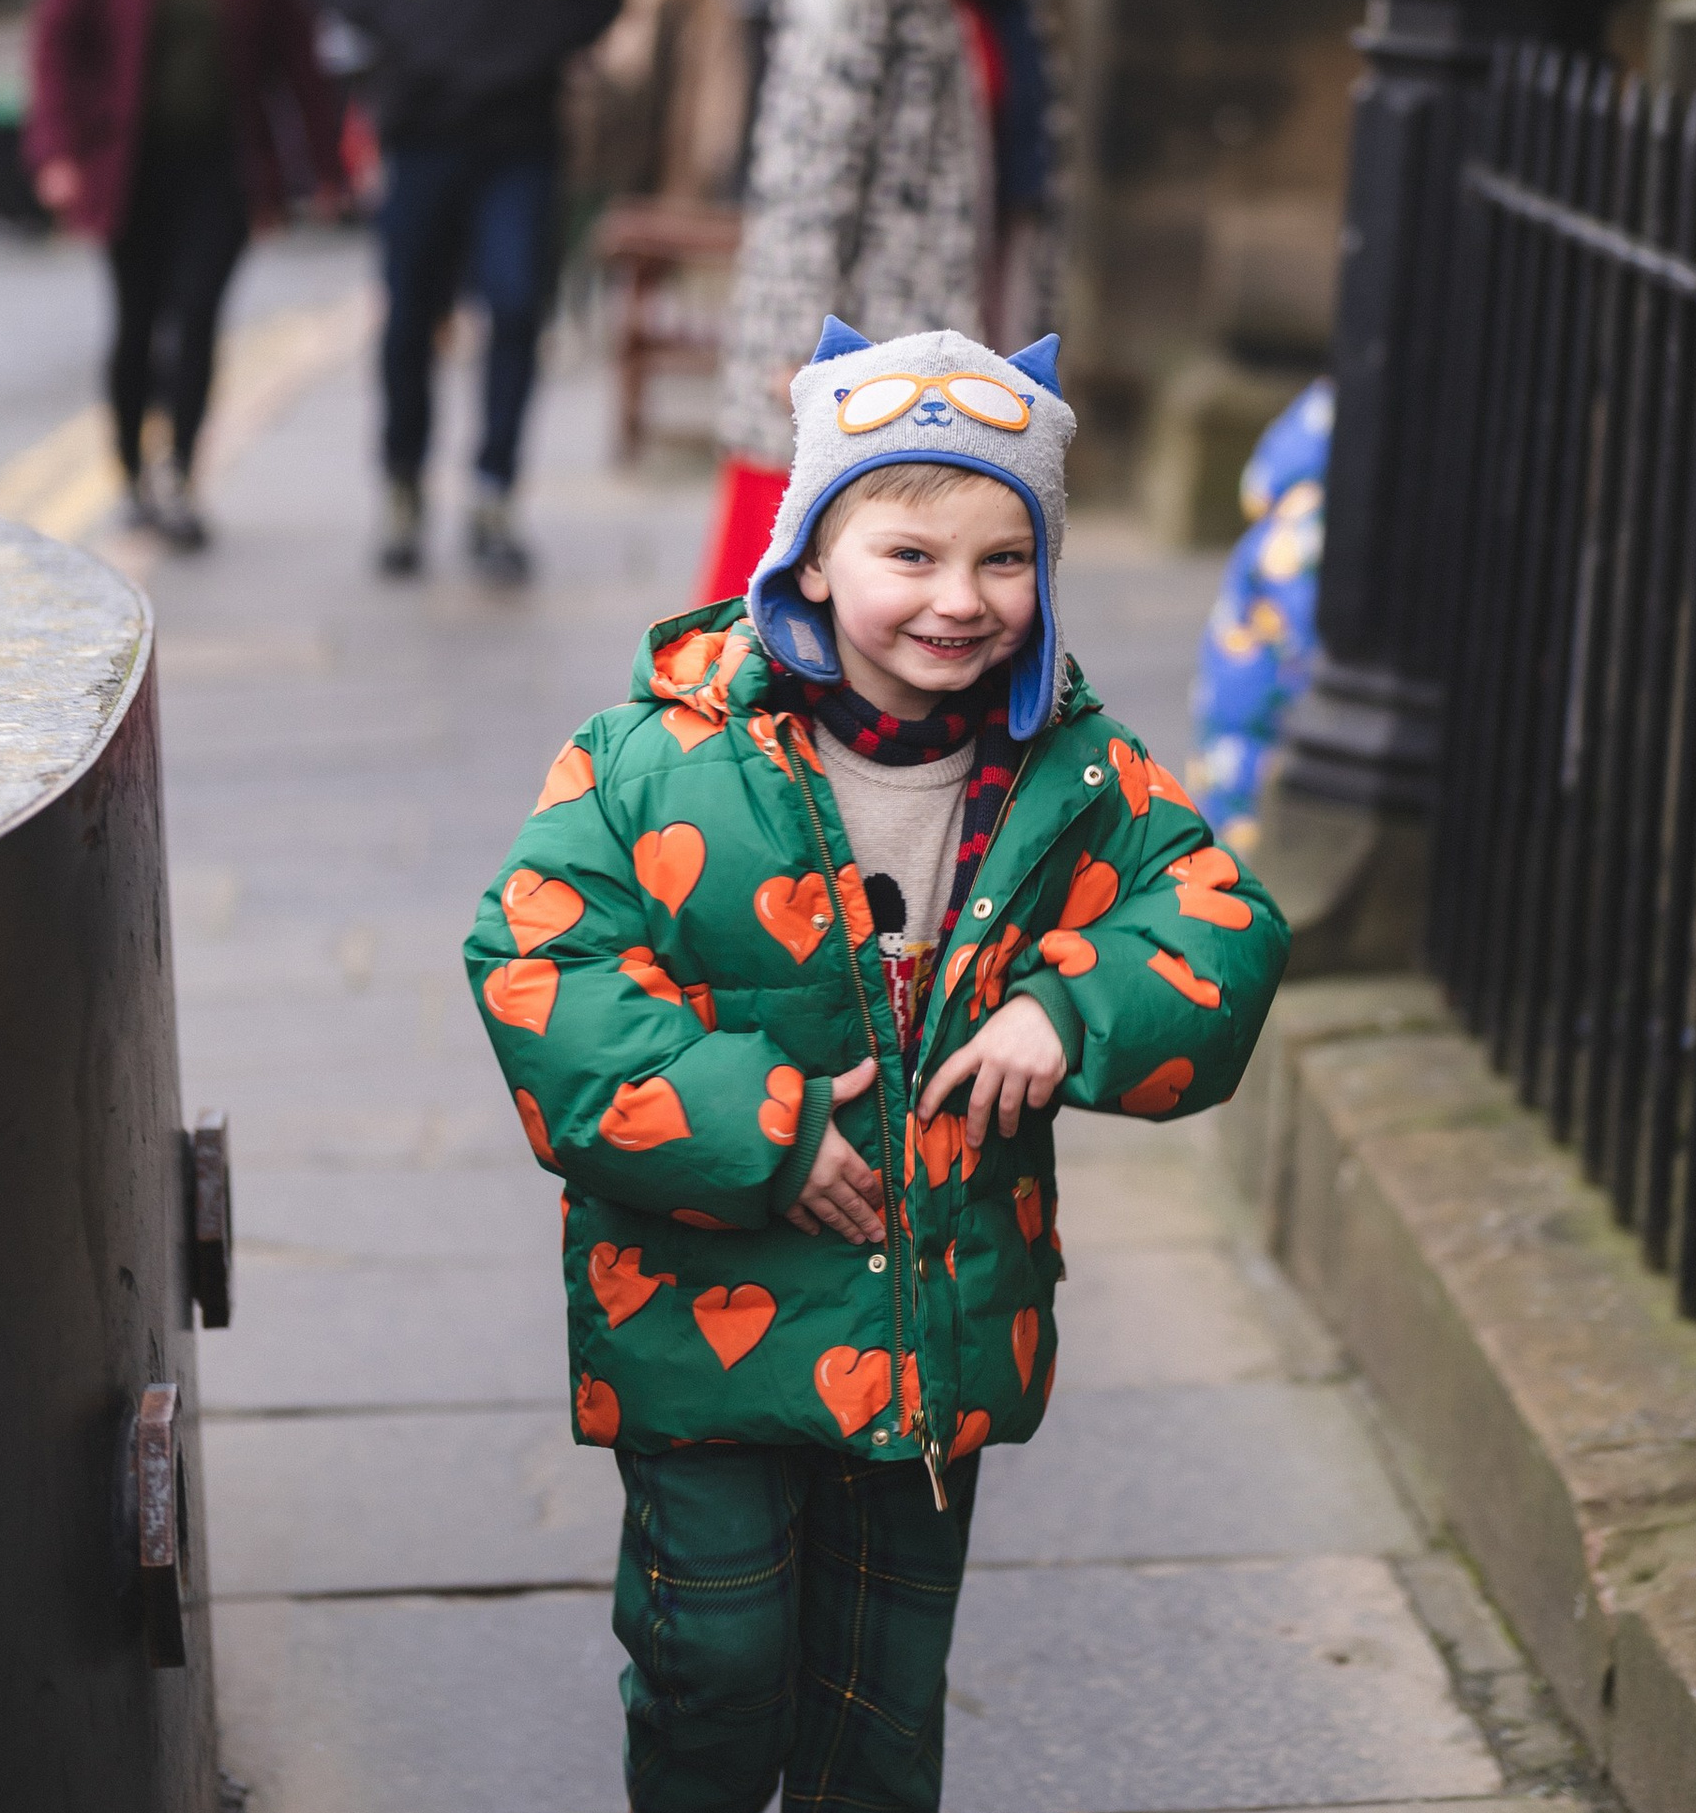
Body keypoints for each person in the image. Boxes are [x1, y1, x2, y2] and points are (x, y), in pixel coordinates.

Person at [465, 317, 1289, 1811]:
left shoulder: (1074, 773)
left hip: (934, 1326)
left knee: (878, 1704)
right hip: (701, 1308)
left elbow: (1219, 925)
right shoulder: (652, 758)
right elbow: (542, 971)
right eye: (910, 555)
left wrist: (1071, 1008)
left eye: (1004, 559)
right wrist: (759, 1125)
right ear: (809, 560)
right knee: (715, 1660)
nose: (960, 600)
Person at [701, 0, 1065, 605]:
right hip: (854, 349)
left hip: (956, 327)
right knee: (793, 608)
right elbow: (807, 167)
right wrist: (799, 351)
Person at [303, 0, 630, 584]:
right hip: (422, 123)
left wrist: (551, 34)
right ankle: (404, 486)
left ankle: (493, 495)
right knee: (410, 317)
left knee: (517, 310)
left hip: (522, 128)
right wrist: (398, 25)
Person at [26, 0, 343, 551]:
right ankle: (132, 470)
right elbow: (56, 43)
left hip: (221, 167)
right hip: (132, 166)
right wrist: (58, 151)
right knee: (137, 324)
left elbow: (298, 56)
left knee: (197, 318)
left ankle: (182, 477)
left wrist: (326, 161)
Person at [1191, 379, 1332, 850]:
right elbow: (1307, 633)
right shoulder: (1306, 533)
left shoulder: (1279, 522)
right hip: (1261, 706)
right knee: (1245, 825)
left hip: (1230, 692)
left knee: (1221, 801)